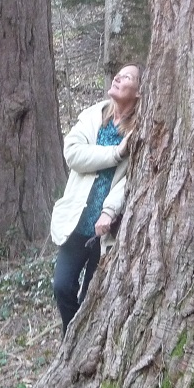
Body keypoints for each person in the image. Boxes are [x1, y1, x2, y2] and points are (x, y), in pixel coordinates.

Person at [50, 64, 142, 336]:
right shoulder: (92, 117)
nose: (117, 77)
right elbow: (74, 155)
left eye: (127, 77)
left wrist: (110, 211)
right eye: (118, 74)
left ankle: (79, 345)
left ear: (138, 92)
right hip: (78, 224)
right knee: (62, 287)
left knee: (91, 298)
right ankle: (70, 341)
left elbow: (132, 177)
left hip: (106, 233)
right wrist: (115, 153)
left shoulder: (139, 129)